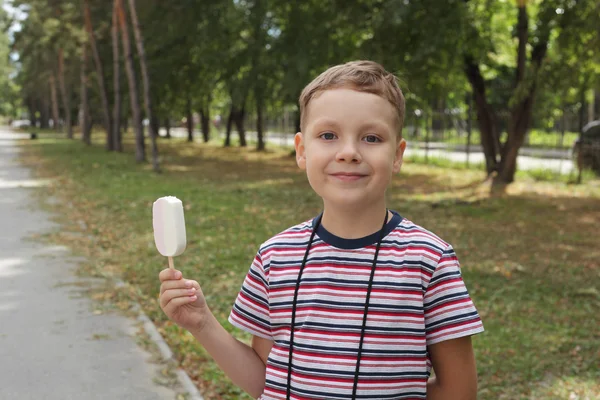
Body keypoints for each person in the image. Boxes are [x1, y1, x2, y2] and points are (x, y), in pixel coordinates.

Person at [159, 60, 484, 400]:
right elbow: (265, 381)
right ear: (302, 150)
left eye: (371, 138)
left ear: (397, 155)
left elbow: (458, 390)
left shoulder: (429, 261)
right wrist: (202, 323)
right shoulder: (275, 257)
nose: (348, 153)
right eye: (328, 135)